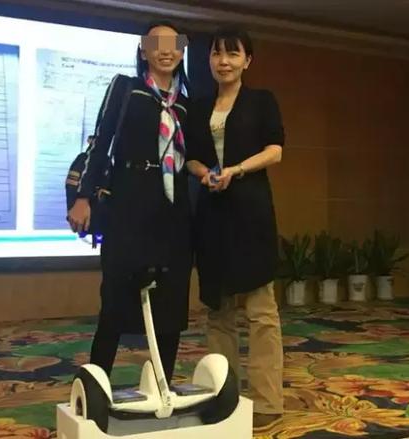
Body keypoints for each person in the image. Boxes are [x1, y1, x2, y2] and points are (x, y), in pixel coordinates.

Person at [67, 21, 192, 383]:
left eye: (174, 43)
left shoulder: (186, 105)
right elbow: (101, 142)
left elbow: (194, 157)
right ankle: (95, 385)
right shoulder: (125, 88)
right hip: (128, 203)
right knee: (115, 300)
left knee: (170, 305)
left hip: (173, 209)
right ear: (143, 49)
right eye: (156, 43)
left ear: (182, 51)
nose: (165, 50)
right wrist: (83, 197)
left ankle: (162, 386)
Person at [186, 26, 285, 428]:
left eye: (232, 54)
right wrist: (204, 173)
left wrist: (236, 170)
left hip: (251, 212)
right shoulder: (198, 107)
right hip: (212, 213)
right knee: (219, 311)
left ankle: (267, 401)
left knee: (261, 312)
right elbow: (191, 157)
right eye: (216, 54)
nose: (223, 61)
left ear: (247, 61)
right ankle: (223, 396)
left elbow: (275, 151)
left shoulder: (262, 101)